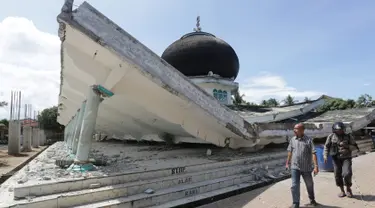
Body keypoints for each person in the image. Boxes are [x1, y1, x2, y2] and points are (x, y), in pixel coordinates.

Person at [286, 123, 319, 208]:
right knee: (294, 185)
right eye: (294, 128)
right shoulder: (293, 139)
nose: (294, 130)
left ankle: (312, 200)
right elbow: (290, 151)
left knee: (309, 184)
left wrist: (316, 166)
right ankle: (295, 203)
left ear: (302, 130)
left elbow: (313, 153)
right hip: (295, 166)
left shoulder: (308, 140)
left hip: (306, 167)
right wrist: (287, 162)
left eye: (296, 129)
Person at [323, 122, 359, 198]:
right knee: (337, 175)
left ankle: (348, 188)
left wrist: (347, 146)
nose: (339, 131)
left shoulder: (348, 136)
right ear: (334, 130)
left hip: (346, 158)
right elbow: (326, 147)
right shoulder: (331, 137)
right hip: (335, 159)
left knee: (347, 173)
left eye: (341, 130)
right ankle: (342, 190)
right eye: (338, 130)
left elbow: (356, 147)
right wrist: (325, 156)